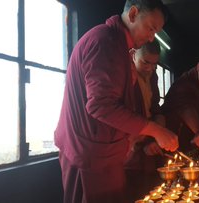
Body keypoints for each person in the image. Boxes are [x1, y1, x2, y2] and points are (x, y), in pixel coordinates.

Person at [54, 0, 178, 202]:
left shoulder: (119, 45)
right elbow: (101, 105)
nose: (151, 37)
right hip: (89, 152)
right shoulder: (106, 41)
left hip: (102, 152)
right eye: (150, 28)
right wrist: (156, 130)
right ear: (133, 14)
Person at [124, 40, 166, 202]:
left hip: (149, 135)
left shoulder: (152, 76)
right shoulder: (125, 76)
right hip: (131, 140)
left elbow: (155, 106)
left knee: (149, 188)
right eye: (145, 62)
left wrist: (157, 132)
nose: (150, 68)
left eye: (155, 64)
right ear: (133, 54)